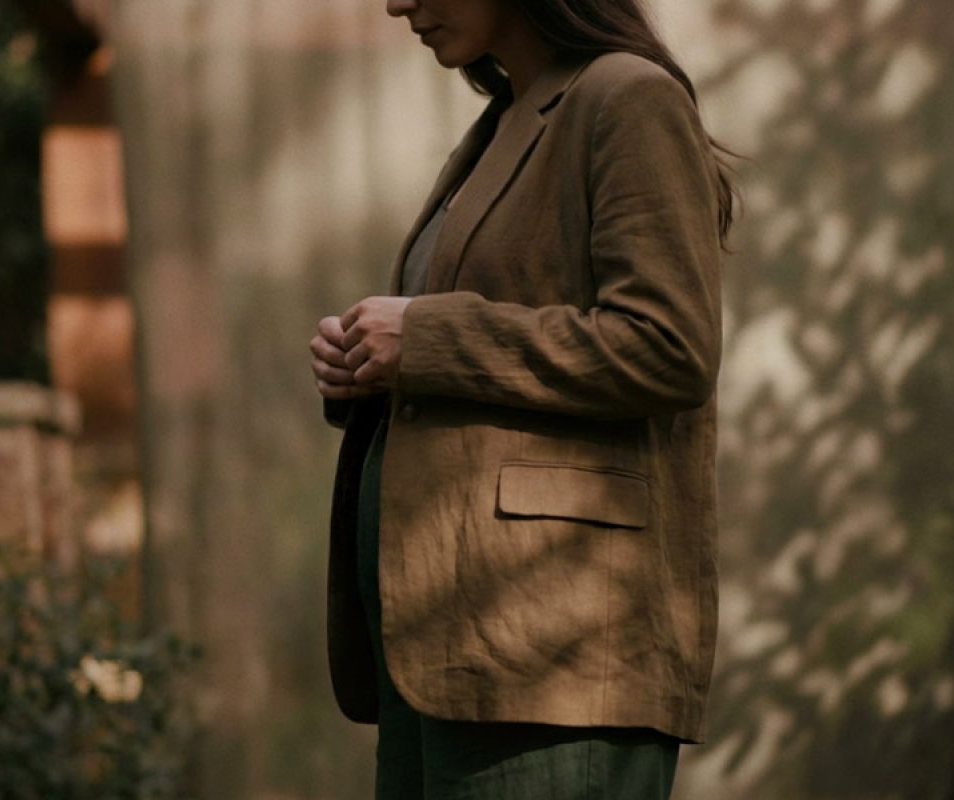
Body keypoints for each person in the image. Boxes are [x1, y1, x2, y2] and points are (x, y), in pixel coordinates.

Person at [311, 0, 734, 797]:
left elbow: (669, 347)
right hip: (439, 642)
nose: (397, 2)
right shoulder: (505, 120)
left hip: (551, 654)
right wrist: (366, 365)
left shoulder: (627, 98)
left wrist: (429, 340)